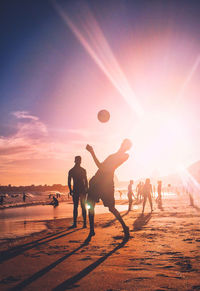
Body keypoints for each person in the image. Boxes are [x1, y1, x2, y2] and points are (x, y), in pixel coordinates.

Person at [86, 139, 132, 238]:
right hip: (96, 182)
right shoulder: (112, 156)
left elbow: (102, 167)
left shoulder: (125, 156)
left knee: (111, 208)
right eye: (122, 144)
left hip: (106, 184)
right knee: (91, 205)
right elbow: (100, 166)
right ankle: (91, 230)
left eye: (125, 145)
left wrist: (92, 152)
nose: (122, 146)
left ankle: (125, 227)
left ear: (127, 147)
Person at [68, 156, 88, 228]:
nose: (79, 162)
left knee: (76, 207)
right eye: (79, 160)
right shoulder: (82, 170)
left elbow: (69, 182)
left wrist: (70, 190)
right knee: (82, 207)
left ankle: (76, 224)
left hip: (77, 190)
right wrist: (86, 189)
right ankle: (83, 224)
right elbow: (86, 181)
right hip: (81, 190)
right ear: (78, 161)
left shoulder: (72, 171)